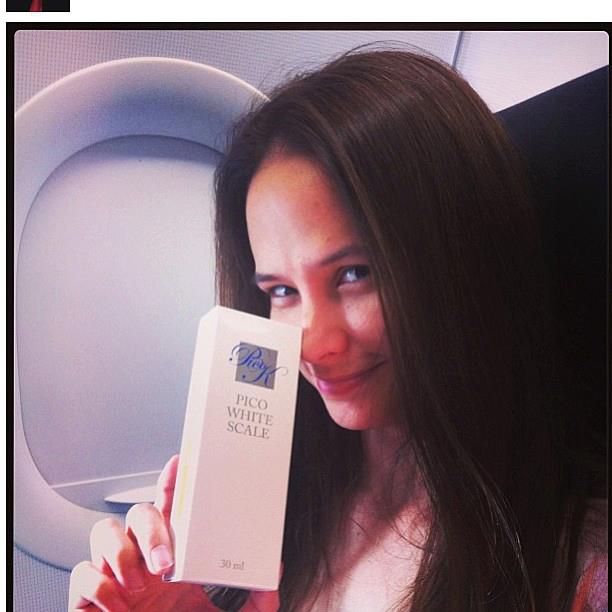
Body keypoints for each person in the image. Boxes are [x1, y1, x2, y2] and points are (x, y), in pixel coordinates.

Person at [69, 47, 607, 611]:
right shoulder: (274, 507)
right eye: (281, 291)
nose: (312, 343)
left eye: (354, 274)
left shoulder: (578, 565)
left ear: (460, 261)